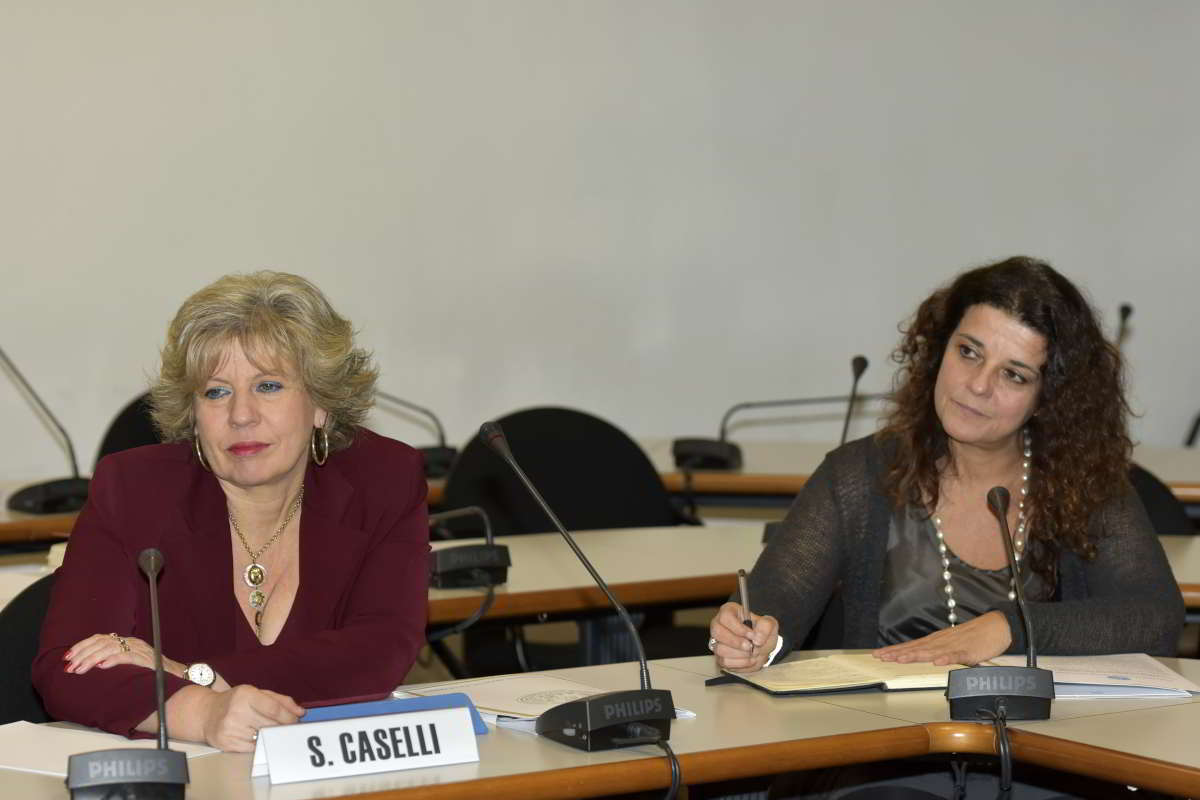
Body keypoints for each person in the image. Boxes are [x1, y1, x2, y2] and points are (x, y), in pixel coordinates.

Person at [705, 257, 1184, 797]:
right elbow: (776, 601)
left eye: (1013, 374)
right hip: (887, 764)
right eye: (968, 352)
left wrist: (1011, 628)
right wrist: (752, 636)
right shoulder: (861, 474)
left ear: (1049, 397)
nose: (977, 385)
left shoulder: (1085, 486)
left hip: (1040, 763)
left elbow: (1155, 618)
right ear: (939, 349)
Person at [33, 271, 429, 752]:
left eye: (269, 386)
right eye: (216, 392)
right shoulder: (134, 490)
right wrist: (202, 713)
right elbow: (68, 667)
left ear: (321, 404)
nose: (241, 415)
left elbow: (380, 649)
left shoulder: (384, 479)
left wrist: (193, 675)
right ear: (194, 413)